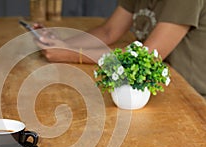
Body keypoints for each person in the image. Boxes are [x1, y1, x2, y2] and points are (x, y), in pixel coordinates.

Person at [35, 0, 206, 97]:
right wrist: (60, 44)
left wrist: (71, 54)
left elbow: (145, 57)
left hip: (189, 97)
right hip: (148, 88)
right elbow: (108, 31)